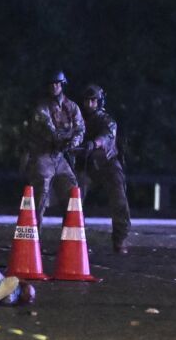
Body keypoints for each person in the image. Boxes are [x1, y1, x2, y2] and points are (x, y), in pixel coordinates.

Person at [23, 70, 85, 231]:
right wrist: (63, 139)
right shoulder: (42, 108)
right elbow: (47, 129)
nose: (54, 87)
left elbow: (80, 129)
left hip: (61, 156)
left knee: (72, 191)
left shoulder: (71, 107)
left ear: (62, 85)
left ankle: (70, 236)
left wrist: (72, 142)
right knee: (41, 192)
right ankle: (34, 234)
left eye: (57, 84)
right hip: (44, 154)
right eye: (51, 84)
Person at [76, 84, 131, 254]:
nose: (90, 104)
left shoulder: (107, 121)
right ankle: (76, 239)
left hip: (108, 163)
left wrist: (93, 144)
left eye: (93, 101)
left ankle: (120, 238)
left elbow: (107, 136)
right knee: (74, 200)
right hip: (86, 165)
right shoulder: (77, 118)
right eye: (87, 101)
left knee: (119, 197)